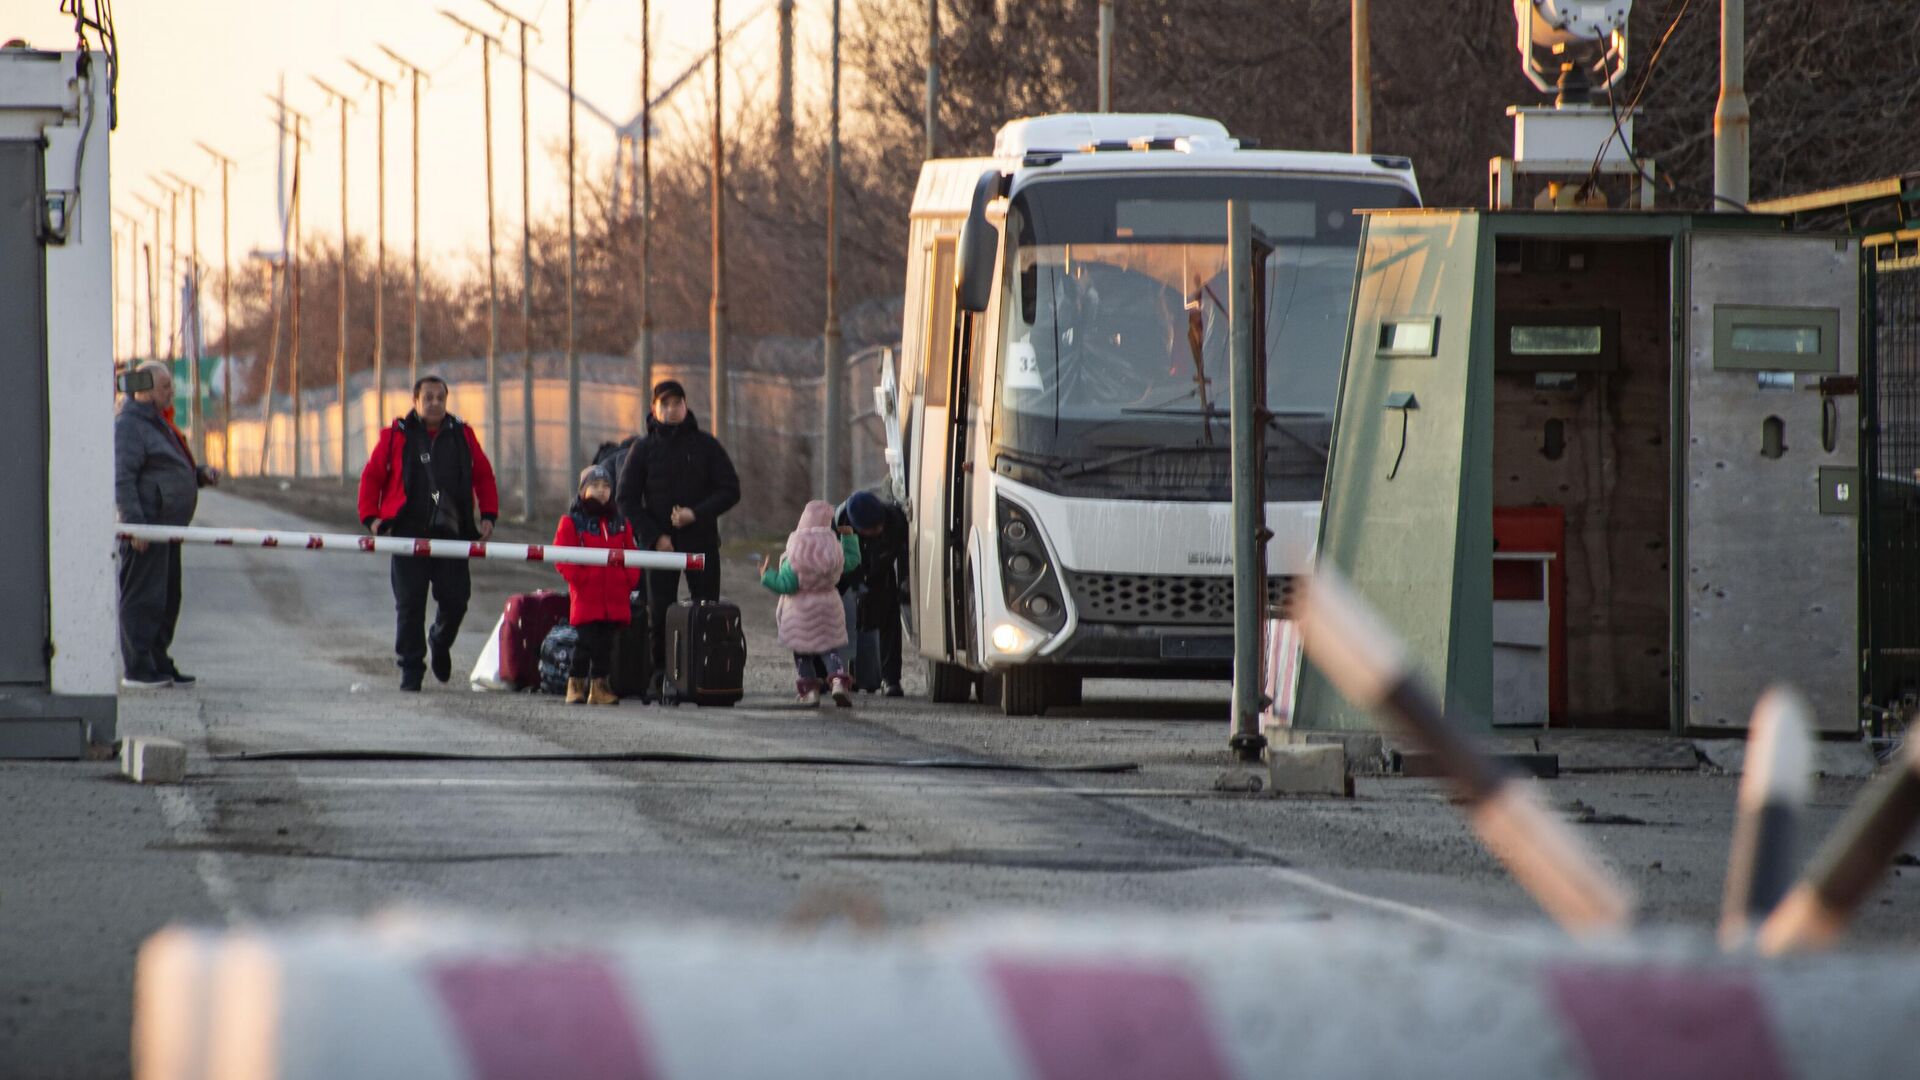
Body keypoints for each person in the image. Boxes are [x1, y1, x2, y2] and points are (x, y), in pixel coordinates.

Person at [356, 375, 499, 691]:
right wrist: (372, 518)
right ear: (415, 401)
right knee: (409, 604)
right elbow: (372, 477)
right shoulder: (396, 435)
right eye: (428, 398)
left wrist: (488, 515)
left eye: (440, 398)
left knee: (456, 600)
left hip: (451, 532)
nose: (434, 403)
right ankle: (411, 670)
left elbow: (484, 476)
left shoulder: (462, 434)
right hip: (408, 531)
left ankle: (440, 639)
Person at [615, 379, 741, 703]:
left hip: (701, 543)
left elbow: (730, 489)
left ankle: (705, 677)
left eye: (677, 403)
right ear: (654, 409)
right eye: (665, 404)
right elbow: (625, 498)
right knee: (659, 613)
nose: (672, 410)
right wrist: (655, 536)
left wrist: (695, 514)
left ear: (686, 406)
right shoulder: (642, 449)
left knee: (707, 609)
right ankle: (661, 676)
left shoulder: (705, 445)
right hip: (660, 549)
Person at [114, 361, 221, 690]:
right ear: (144, 390)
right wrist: (135, 526)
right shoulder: (131, 425)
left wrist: (198, 474)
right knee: (143, 599)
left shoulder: (159, 423)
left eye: (171, 387)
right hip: (148, 531)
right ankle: (140, 668)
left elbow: (164, 468)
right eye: (165, 387)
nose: (171, 393)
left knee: (166, 600)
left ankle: (158, 660)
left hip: (168, 532)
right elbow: (123, 477)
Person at [552, 464, 640, 705]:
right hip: (586, 597)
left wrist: (628, 580)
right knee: (585, 643)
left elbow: (633, 554)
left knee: (606, 645)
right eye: (595, 486)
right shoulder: (572, 522)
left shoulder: (620, 523)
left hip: (614, 597)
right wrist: (581, 578)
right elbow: (561, 556)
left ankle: (599, 687)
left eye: (606, 486)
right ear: (583, 490)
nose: (601, 491)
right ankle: (575, 684)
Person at [759, 501, 861, 707]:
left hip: (800, 612)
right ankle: (839, 682)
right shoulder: (834, 550)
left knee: (802, 653)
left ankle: (810, 691)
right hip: (830, 608)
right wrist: (849, 537)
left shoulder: (796, 553)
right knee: (830, 650)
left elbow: (786, 585)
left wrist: (766, 575)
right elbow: (852, 561)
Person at [834, 490, 911, 697]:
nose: (878, 531)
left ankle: (891, 678)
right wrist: (853, 583)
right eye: (871, 529)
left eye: (879, 527)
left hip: (881, 572)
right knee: (841, 619)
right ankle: (834, 675)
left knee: (888, 617)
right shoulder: (840, 522)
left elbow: (906, 555)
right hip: (846, 572)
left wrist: (905, 583)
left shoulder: (894, 520)